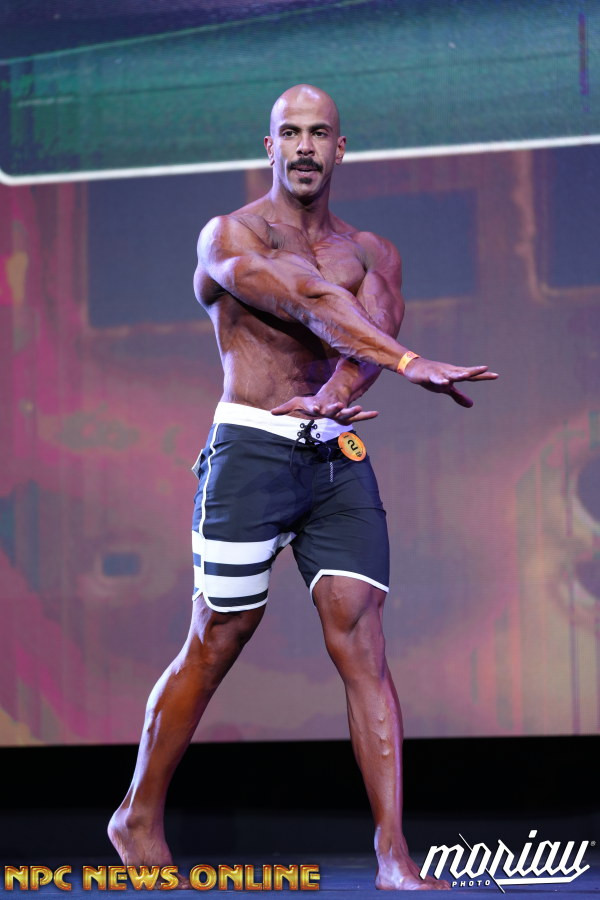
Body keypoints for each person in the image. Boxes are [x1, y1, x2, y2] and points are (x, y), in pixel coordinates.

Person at [108, 84, 497, 890]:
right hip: (249, 450)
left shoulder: (372, 251)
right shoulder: (231, 236)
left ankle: (392, 851)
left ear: (340, 148)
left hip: (333, 455)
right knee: (217, 639)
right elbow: (311, 302)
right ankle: (136, 815)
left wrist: (335, 393)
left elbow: (366, 335)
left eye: (320, 133)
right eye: (291, 133)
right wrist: (407, 364)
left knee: (364, 641)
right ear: (271, 145)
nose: (306, 147)